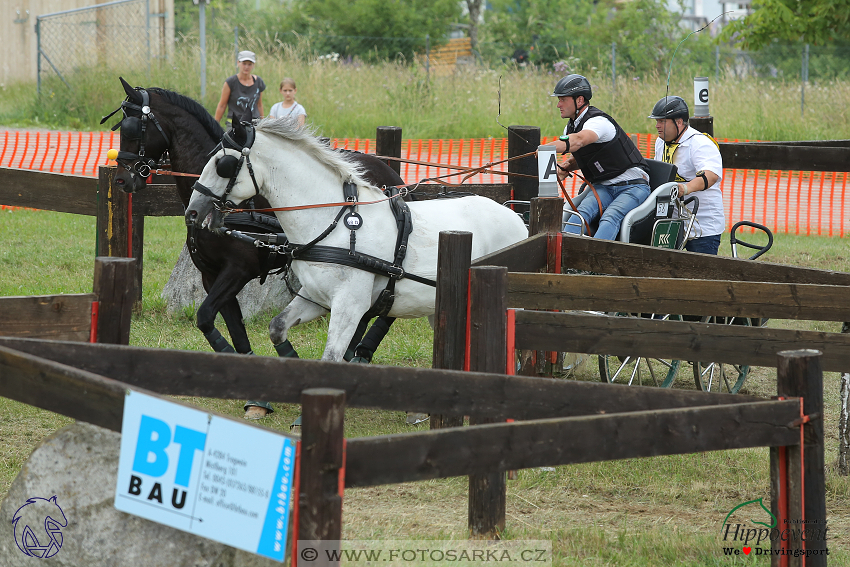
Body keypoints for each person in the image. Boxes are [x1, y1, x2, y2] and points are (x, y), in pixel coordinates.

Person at [552, 74, 651, 241]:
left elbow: (580, 140)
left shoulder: (598, 122)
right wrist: (567, 166)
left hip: (632, 186)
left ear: (579, 100)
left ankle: (594, 264)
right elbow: (587, 155)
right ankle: (565, 259)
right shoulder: (570, 127)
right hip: (604, 187)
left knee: (609, 218)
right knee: (577, 216)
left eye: (563, 99)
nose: (558, 105)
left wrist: (545, 148)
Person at [649, 96, 724, 254]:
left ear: (679, 122)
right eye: (656, 121)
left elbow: (711, 175)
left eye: (662, 121)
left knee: (700, 274)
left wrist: (685, 188)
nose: (657, 126)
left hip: (702, 226)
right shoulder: (660, 142)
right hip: (671, 222)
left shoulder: (700, 144)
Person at [214, 50, 265, 126]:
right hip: (235, 122)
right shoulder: (231, 82)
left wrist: (262, 122)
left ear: (253, 65)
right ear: (238, 63)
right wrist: (215, 124)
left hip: (254, 122)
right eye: (244, 64)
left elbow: (259, 105)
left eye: (249, 64)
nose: (246, 67)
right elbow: (222, 105)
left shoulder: (258, 82)